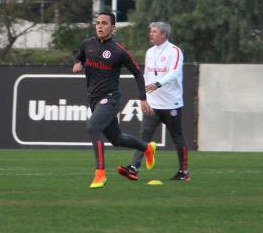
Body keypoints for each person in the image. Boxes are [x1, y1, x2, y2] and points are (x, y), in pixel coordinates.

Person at [73, 12, 157, 189]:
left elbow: (137, 73)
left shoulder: (118, 51)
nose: (100, 26)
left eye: (104, 23)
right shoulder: (87, 44)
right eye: (97, 23)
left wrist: (143, 98)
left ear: (113, 27)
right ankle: (147, 148)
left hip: (111, 98)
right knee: (117, 139)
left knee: (92, 127)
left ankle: (100, 173)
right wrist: (78, 63)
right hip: (94, 99)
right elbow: (80, 56)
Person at [117, 22, 190, 181]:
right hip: (153, 105)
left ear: (163, 34)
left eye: (154, 31)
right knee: (143, 138)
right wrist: (144, 99)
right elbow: (147, 76)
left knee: (177, 138)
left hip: (171, 104)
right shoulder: (150, 52)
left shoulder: (174, 51)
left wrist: (158, 84)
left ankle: (183, 172)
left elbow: (175, 72)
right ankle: (134, 168)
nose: (151, 34)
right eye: (151, 31)